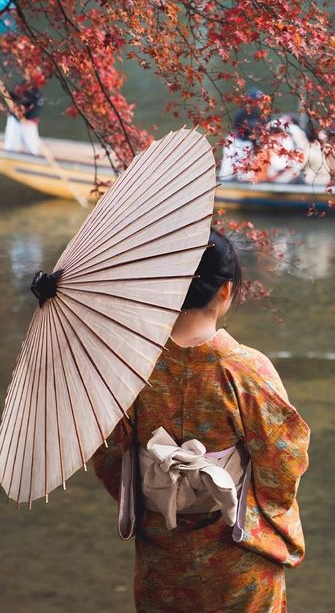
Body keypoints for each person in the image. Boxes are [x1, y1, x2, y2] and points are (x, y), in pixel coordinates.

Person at [93, 230, 310, 612]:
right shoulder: (245, 369)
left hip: (163, 554)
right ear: (226, 291)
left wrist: (162, 496)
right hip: (238, 552)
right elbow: (283, 461)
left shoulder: (132, 366)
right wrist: (256, 513)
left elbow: (110, 457)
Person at [3, 85, 44, 155]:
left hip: (29, 123)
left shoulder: (37, 93)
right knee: (11, 146)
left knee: (33, 148)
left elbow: (36, 108)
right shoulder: (21, 87)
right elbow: (11, 96)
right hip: (15, 119)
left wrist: (27, 119)